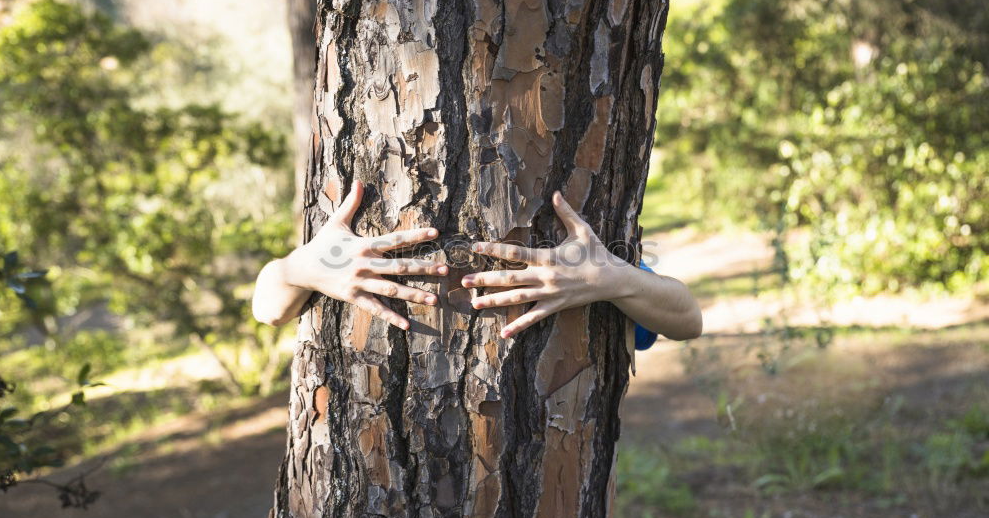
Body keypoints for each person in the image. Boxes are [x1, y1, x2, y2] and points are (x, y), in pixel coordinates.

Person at [252, 180, 702, 344]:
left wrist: (613, 278)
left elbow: (687, 318)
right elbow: (268, 308)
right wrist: (301, 269)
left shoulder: (589, 264)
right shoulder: (326, 260)